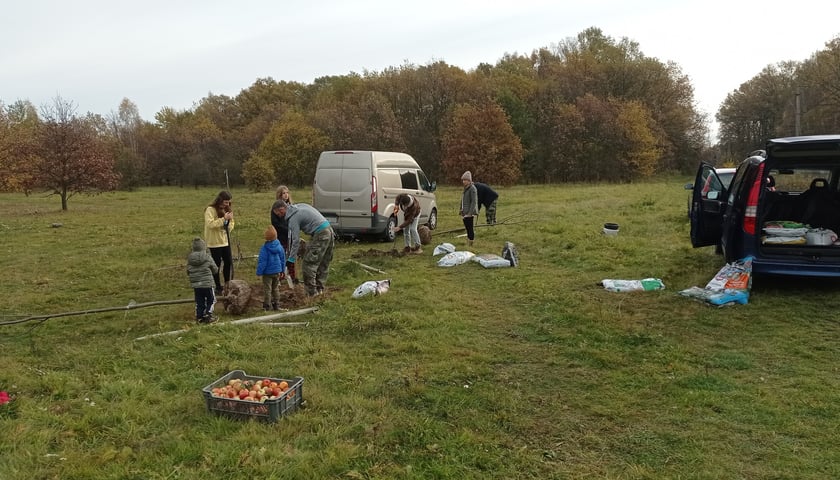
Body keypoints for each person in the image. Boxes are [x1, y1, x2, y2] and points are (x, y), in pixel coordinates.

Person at [272, 200, 335, 297]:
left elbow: (295, 240)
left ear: (282, 209)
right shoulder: (300, 206)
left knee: (308, 264)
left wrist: (291, 259)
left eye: (278, 214)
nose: (279, 217)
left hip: (321, 234)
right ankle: (320, 290)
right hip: (329, 230)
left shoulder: (293, 218)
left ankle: (312, 294)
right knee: (323, 262)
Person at [204, 191, 235, 295]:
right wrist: (223, 220)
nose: (227, 204)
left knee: (228, 262)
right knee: (216, 265)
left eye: (228, 202)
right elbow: (210, 224)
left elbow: (231, 223)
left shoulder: (227, 209)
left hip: (225, 241)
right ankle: (217, 286)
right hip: (214, 242)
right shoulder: (210, 209)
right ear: (220, 200)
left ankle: (227, 283)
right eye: (225, 202)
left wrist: (228, 225)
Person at [186, 237, 218, 323]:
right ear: (204, 247)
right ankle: (208, 314)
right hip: (207, 284)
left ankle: (199, 317)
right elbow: (215, 269)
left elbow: (188, 271)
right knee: (211, 300)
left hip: (196, 285)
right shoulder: (207, 257)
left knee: (199, 301)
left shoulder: (190, 259)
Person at [270, 185, 297, 284]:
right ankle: (280, 276)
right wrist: (287, 230)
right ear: (279, 195)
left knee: (291, 255)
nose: (286, 195)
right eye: (283, 193)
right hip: (281, 236)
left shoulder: (291, 206)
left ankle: (292, 276)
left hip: (291, 237)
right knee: (281, 256)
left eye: (287, 193)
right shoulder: (275, 207)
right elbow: (275, 224)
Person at [256, 226, 286, 311]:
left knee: (267, 289)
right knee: (275, 288)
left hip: (267, 273)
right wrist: (282, 270)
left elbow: (263, 261)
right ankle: (276, 304)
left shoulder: (265, 248)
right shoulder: (279, 246)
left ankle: (267, 306)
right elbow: (282, 259)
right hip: (277, 271)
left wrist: (259, 272)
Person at [460, 171, 478, 247]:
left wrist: (470, 213)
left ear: (469, 180)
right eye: (463, 180)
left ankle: (471, 243)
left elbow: (474, 202)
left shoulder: (472, 189)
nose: (463, 181)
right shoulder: (466, 189)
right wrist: (461, 209)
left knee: (470, 228)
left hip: (469, 213)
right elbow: (463, 200)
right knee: (467, 227)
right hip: (465, 212)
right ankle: (468, 241)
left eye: (465, 180)